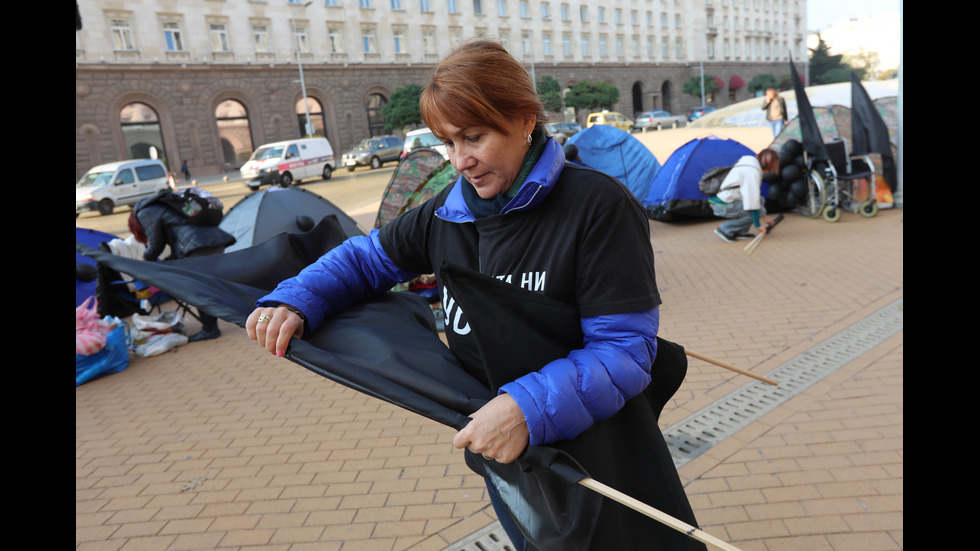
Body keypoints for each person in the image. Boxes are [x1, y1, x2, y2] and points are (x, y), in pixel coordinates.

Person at [246, 39, 673, 549]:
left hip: (598, 452)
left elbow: (626, 351)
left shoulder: (598, 206)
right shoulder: (449, 211)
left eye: (474, 136)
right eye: (447, 142)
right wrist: (297, 299)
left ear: (523, 120)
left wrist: (524, 409)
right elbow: (365, 258)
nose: (461, 160)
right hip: (503, 447)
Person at [128, 189, 235, 342]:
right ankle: (215, 324)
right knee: (207, 286)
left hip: (199, 246)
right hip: (214, 240)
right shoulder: (162, 205)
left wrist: (143, 261)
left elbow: (156, 246)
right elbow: (178, 242)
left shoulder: (145, 213)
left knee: (199, 289)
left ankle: (211, 329)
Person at [711, 148, 780, 243]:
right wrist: (758, 225)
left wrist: (764, 216)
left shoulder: (749, 163)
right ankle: (725, 229)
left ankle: (741, 231)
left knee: (760, 200)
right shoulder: (752, 172)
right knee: (754, 211)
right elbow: (752, 201)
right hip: (723, 205)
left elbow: (755, 198)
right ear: (768, 164)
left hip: (726, 199)